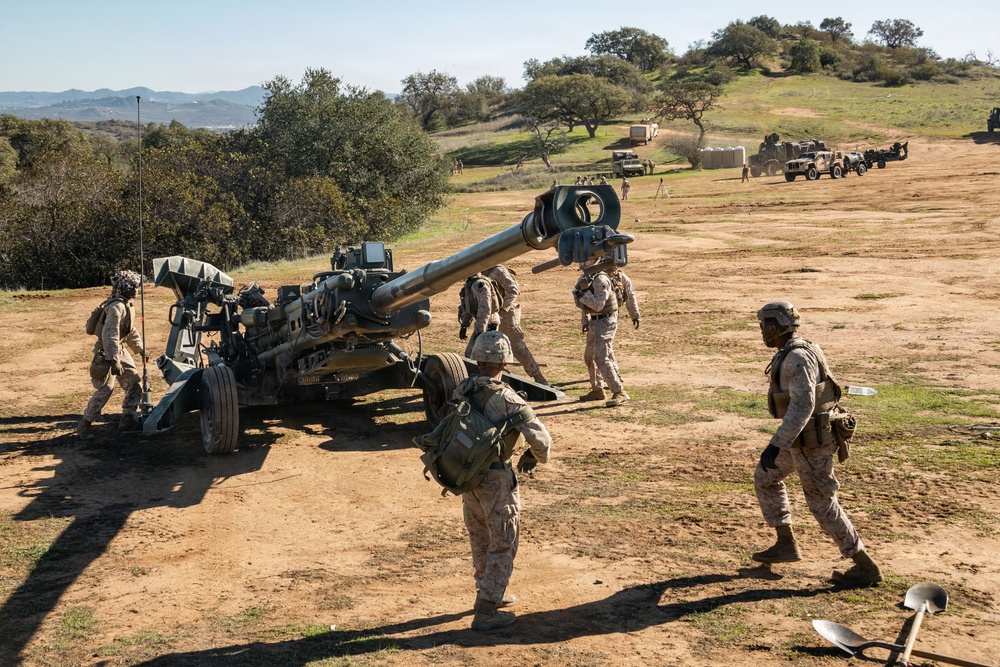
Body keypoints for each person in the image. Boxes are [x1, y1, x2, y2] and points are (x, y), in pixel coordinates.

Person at [752, 301, 882, 587]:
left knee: (822, 504)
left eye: (763, 326)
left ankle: (865, 565)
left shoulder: (797, 359)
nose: (761, 331)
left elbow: (802, 406)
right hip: (799, 438)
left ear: (773, 328)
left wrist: (776, 445)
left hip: (810, 443)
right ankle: (785, 544)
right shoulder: (799, 350)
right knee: (765, 476)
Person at [462, 331, 552, 630]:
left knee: (480, 536)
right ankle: (486, 612)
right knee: (504, 541)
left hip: (467, 474)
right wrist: (534, 456)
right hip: (496, 478)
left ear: (477, 359)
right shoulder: (506, 397)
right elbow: (542, 440)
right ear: (503, 362)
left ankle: (487, 593)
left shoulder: (462, 389)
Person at [77, 270, 148, 440]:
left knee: (135, 383)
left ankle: (127, 418)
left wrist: (140, 349)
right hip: (106, 353)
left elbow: (129, 331)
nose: (137, 290)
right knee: (106, 389)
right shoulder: (116, 307)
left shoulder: (128, 304)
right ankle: (85, 424)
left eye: (137, 287)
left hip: (120, 350)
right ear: (124, 288)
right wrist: (113, 360)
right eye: (133, 287)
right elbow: (110, 335)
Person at [573, 259, 640, 407]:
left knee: (601, 357)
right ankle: (597, 389)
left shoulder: (601, 279)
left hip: (605, 322)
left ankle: (619, 391)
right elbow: (585, 305)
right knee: (589, 356)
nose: (579, 264)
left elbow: (598, 305)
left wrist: (582, 294)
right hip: (594, 321)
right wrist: (585, 320)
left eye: (583, 261)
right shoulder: (588, 277)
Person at [484, 265, 547, 385]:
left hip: (506, 316)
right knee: (489, 346)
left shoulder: (498, 271)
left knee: (517, 348)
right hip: (490, 315)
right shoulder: (478, 272)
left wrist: (501, 309)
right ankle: (497, 375)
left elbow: (513, 290)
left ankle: (539, 378)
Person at [458, 273, 502, 357]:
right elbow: (469, 307)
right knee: (471, 354)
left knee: (481, 354)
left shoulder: (480, 284)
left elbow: (485, 309)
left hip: (489, 323)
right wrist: (464, 325)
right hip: (484, 322)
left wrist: (480, 331)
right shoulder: (471, 282)